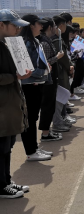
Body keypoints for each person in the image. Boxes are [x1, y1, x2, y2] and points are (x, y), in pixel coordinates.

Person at [0, 10, 32, 198]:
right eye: (14, 25)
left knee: (7, 145)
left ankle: (6, 180)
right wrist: (15, 76)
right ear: (1, 25)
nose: (18, 29)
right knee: (1, 147)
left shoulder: (7, 45)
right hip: (2, 107)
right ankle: (1, 186)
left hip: (10, 104)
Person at [19, 14, 53, 161]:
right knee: (30, 119)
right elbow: (26, 68)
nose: (41, 26)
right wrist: (43, 72)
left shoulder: (34, 41)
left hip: (36, 83)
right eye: (39, 24)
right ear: (31, 25)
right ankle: (31, 151)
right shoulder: (27, 43)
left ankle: (34, 148)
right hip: (29, 85)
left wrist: (44, 70)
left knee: (33, 118)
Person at [38, 18, 64, 143]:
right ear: (50, 27)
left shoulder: (46, 40)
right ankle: (45, 133)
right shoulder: (44, 43)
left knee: (50, 106)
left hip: (50, 78)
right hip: (47, 79)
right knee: (47, 106)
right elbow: (45, 63)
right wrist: (57, 57)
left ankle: (47, 131)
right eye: (54, 26)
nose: (56, 29)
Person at [51, 17, 74, 133]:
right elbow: (62, 57)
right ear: (60, 25)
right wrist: (69, 67)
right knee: (60, 98)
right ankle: (58, 121)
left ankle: (62, 118)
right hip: (60, 72)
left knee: (63, 97)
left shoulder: (58, 39)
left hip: (62, 71)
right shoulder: (56, 40)